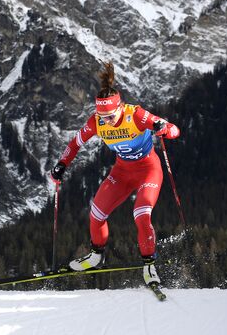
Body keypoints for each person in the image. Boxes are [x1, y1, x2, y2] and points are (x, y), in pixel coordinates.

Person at [50, 61, 180, 286]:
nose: (107, 121)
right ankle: (96, 255)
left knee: (141, 215)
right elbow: (75, 144)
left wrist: (163, 128)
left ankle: (149, 265)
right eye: (103, 117)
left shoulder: (136, 115)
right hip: (122, 172)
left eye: (110, 116)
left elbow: (174, 130)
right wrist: (62, 164)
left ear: (120, 107)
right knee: (96, 214)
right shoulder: (97, 122)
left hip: (148, 170)